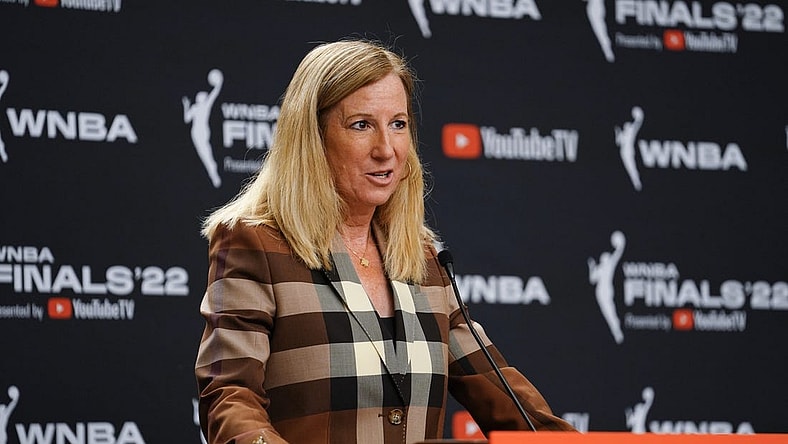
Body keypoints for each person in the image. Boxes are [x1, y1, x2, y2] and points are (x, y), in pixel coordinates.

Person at [195, 38, 575, 444]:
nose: (386, 149)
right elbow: (229, 396)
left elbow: (505, 400)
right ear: (313, 136)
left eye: (398, 124)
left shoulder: (422, 258)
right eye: (361, 125)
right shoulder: (255, 242)